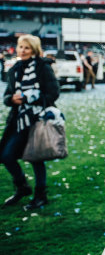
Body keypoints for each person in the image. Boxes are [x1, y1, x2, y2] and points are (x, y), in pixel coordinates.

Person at [0, 34, 60, 210]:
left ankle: (40, 195)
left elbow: (53, 93)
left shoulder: (43, 67)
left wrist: (31, 97)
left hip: (37, 119)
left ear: (33, 49)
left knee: (36, 157)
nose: (22, 50)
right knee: (5, 155)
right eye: (20, 47)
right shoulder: (14, 69)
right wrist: (12, 99)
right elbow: (6, 96)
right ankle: (23, 187)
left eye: (26, 47)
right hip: (18, 121)